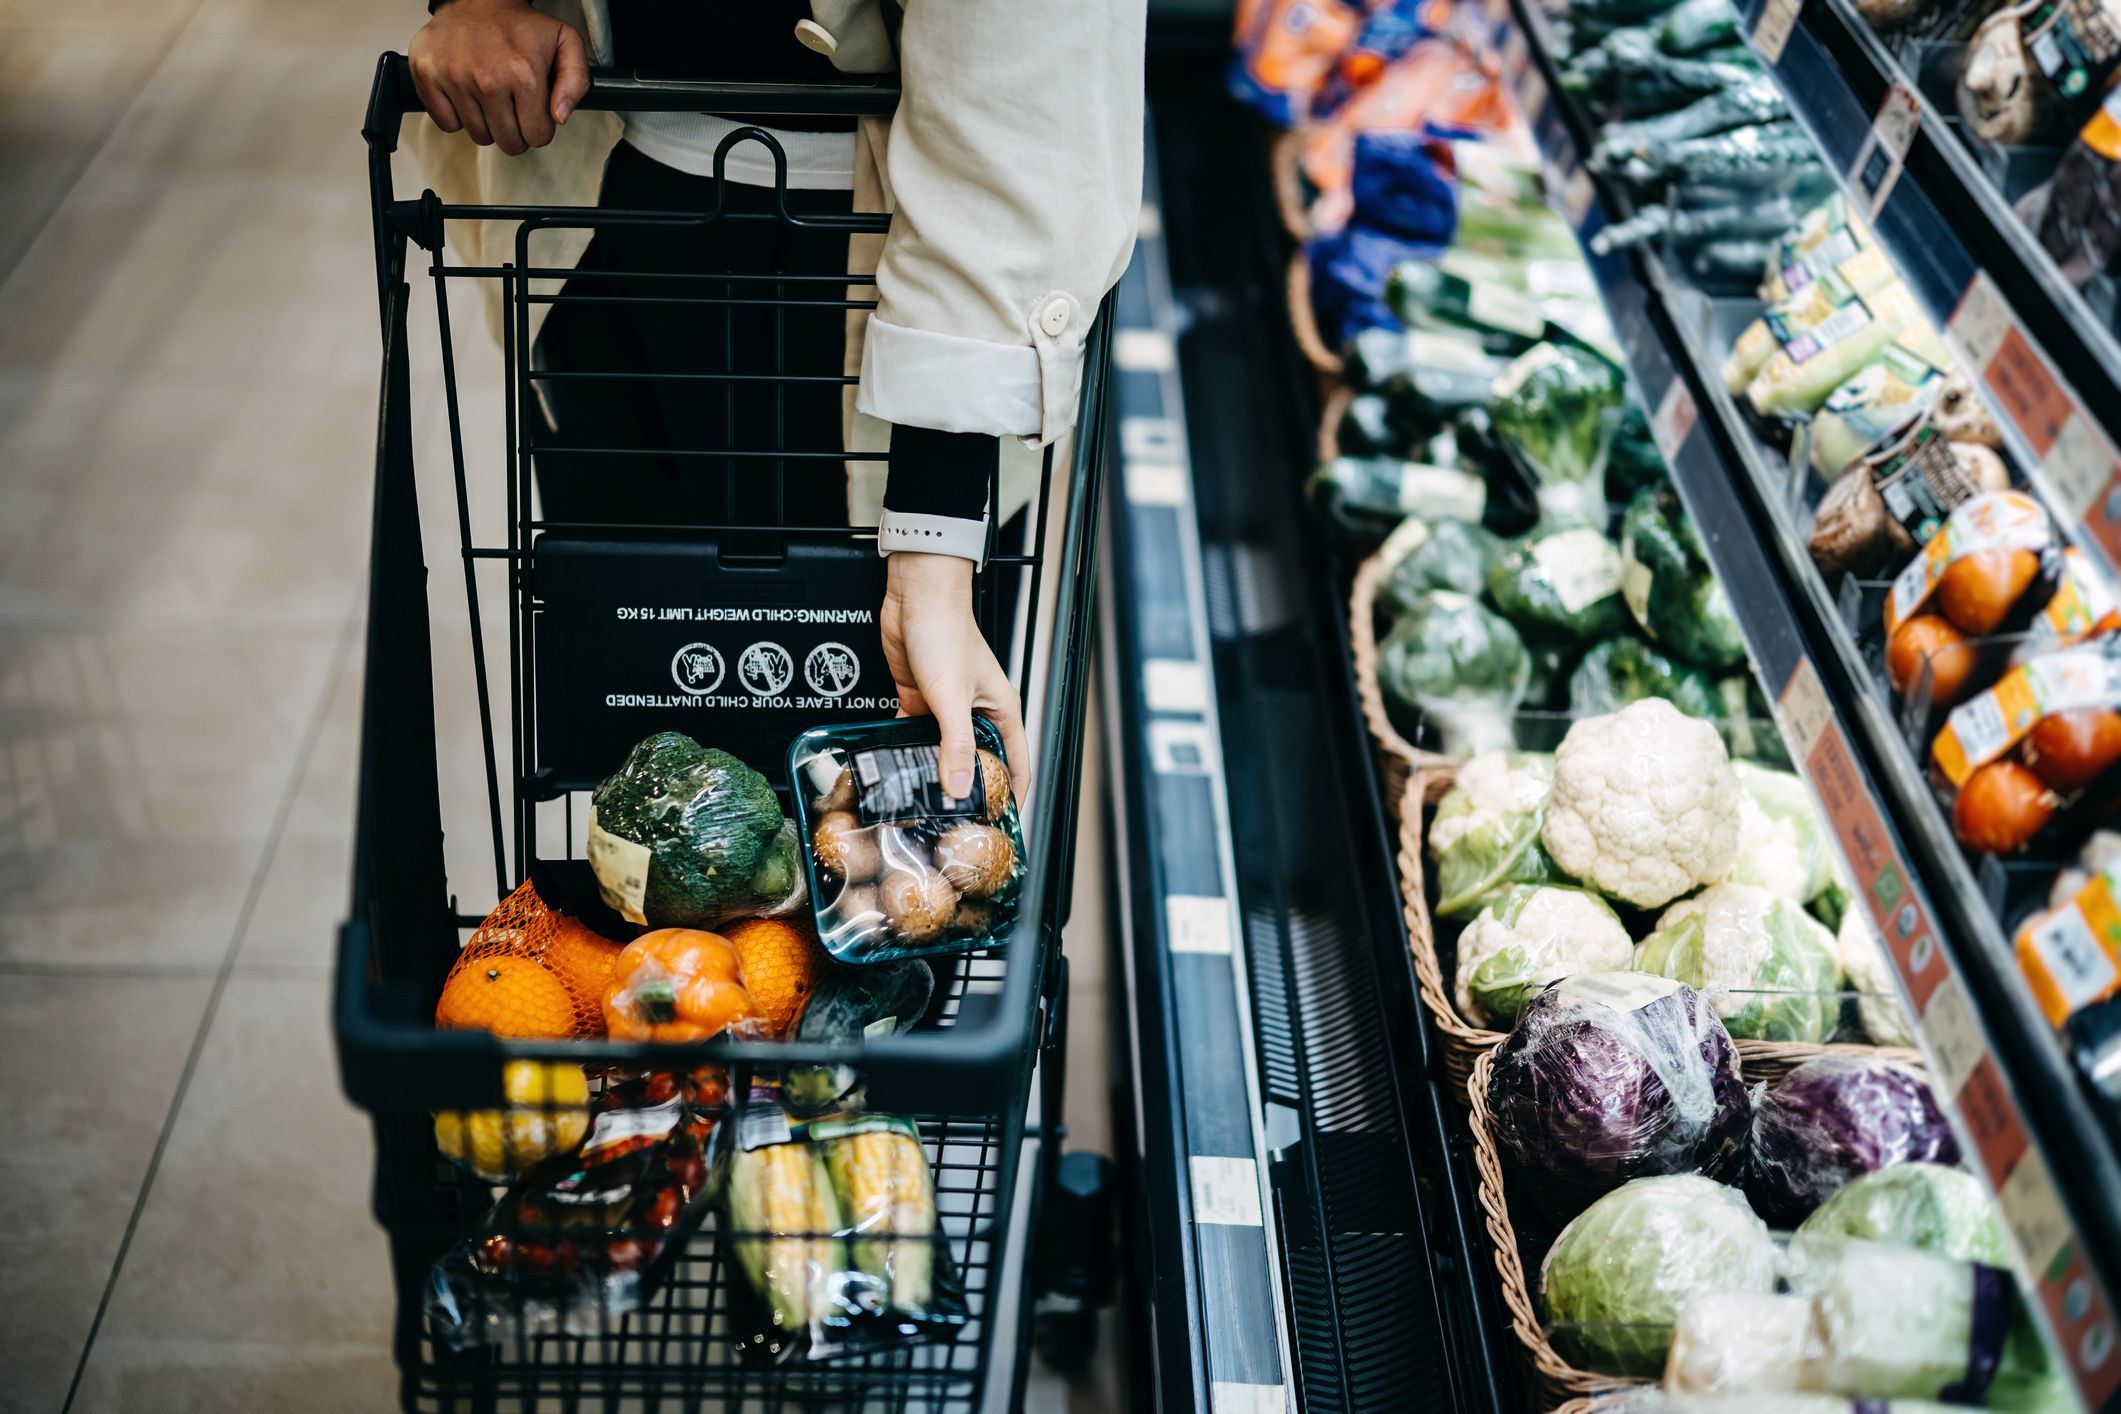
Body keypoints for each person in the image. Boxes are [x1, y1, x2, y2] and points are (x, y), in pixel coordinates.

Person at [405, 0, 1145, 798]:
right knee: (637, 770)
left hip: (894, 273)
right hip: (593, 191)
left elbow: (1020, 59)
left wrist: (934, 531)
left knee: (887, 811)